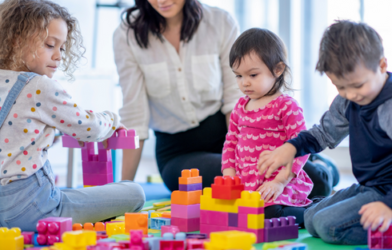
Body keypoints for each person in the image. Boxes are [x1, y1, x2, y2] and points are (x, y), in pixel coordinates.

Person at [113, 0, 339, 196]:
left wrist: (246, 154)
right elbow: (135, 115)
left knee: (313, 178)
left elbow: (236, 98)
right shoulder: (126, 35)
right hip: (178, 153)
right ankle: (314, 164)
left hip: (236, 137)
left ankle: (317, 163)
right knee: (241, 187)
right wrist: (125, 189)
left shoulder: (219, 22)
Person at [0, 0, 145, 232]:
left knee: (73, 193)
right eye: (50, 45)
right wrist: (112, 120)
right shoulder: (39, 86)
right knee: (135, 192)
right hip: (34, 211)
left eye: (62, 48)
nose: (59, 56)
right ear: (16, 40)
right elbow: (88, 127)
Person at [257, 20, 392, 244]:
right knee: (310, 219)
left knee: (327, 227)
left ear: (381, 65)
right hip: (369, 186)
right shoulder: (347, 100)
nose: (349, 94)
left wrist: (387, 205)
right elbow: (323, 134)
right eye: (340, 87)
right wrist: (291, 148)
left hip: (387, 191)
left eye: (357, 86)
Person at [222, 28, 312, 226]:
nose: (244, 82)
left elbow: (301, 147)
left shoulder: (286, 106)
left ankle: (315, 210)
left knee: (270, 215)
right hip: (248, 185)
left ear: (278, 69)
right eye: (238, 76)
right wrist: (229, 177)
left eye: (253, 75)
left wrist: (279, 182)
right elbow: (231, 143)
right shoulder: (239, 107)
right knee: (231, 215)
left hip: (281, 183)